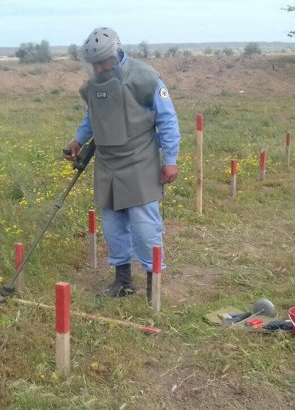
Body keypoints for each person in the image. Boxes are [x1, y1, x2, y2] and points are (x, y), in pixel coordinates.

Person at [64, 27, 180, 300]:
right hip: (106, 162)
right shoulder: (94, 82)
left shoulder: (146, 78)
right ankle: (123, 280)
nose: (98, 69)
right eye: (93, 64)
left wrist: (170, 160)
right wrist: (78, 141)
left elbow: (167, 119)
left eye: (102, 62)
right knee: (112, 224)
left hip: (139, 160)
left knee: (143, 226)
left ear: (115, 54)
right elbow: (92, 117)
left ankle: (155, 283)